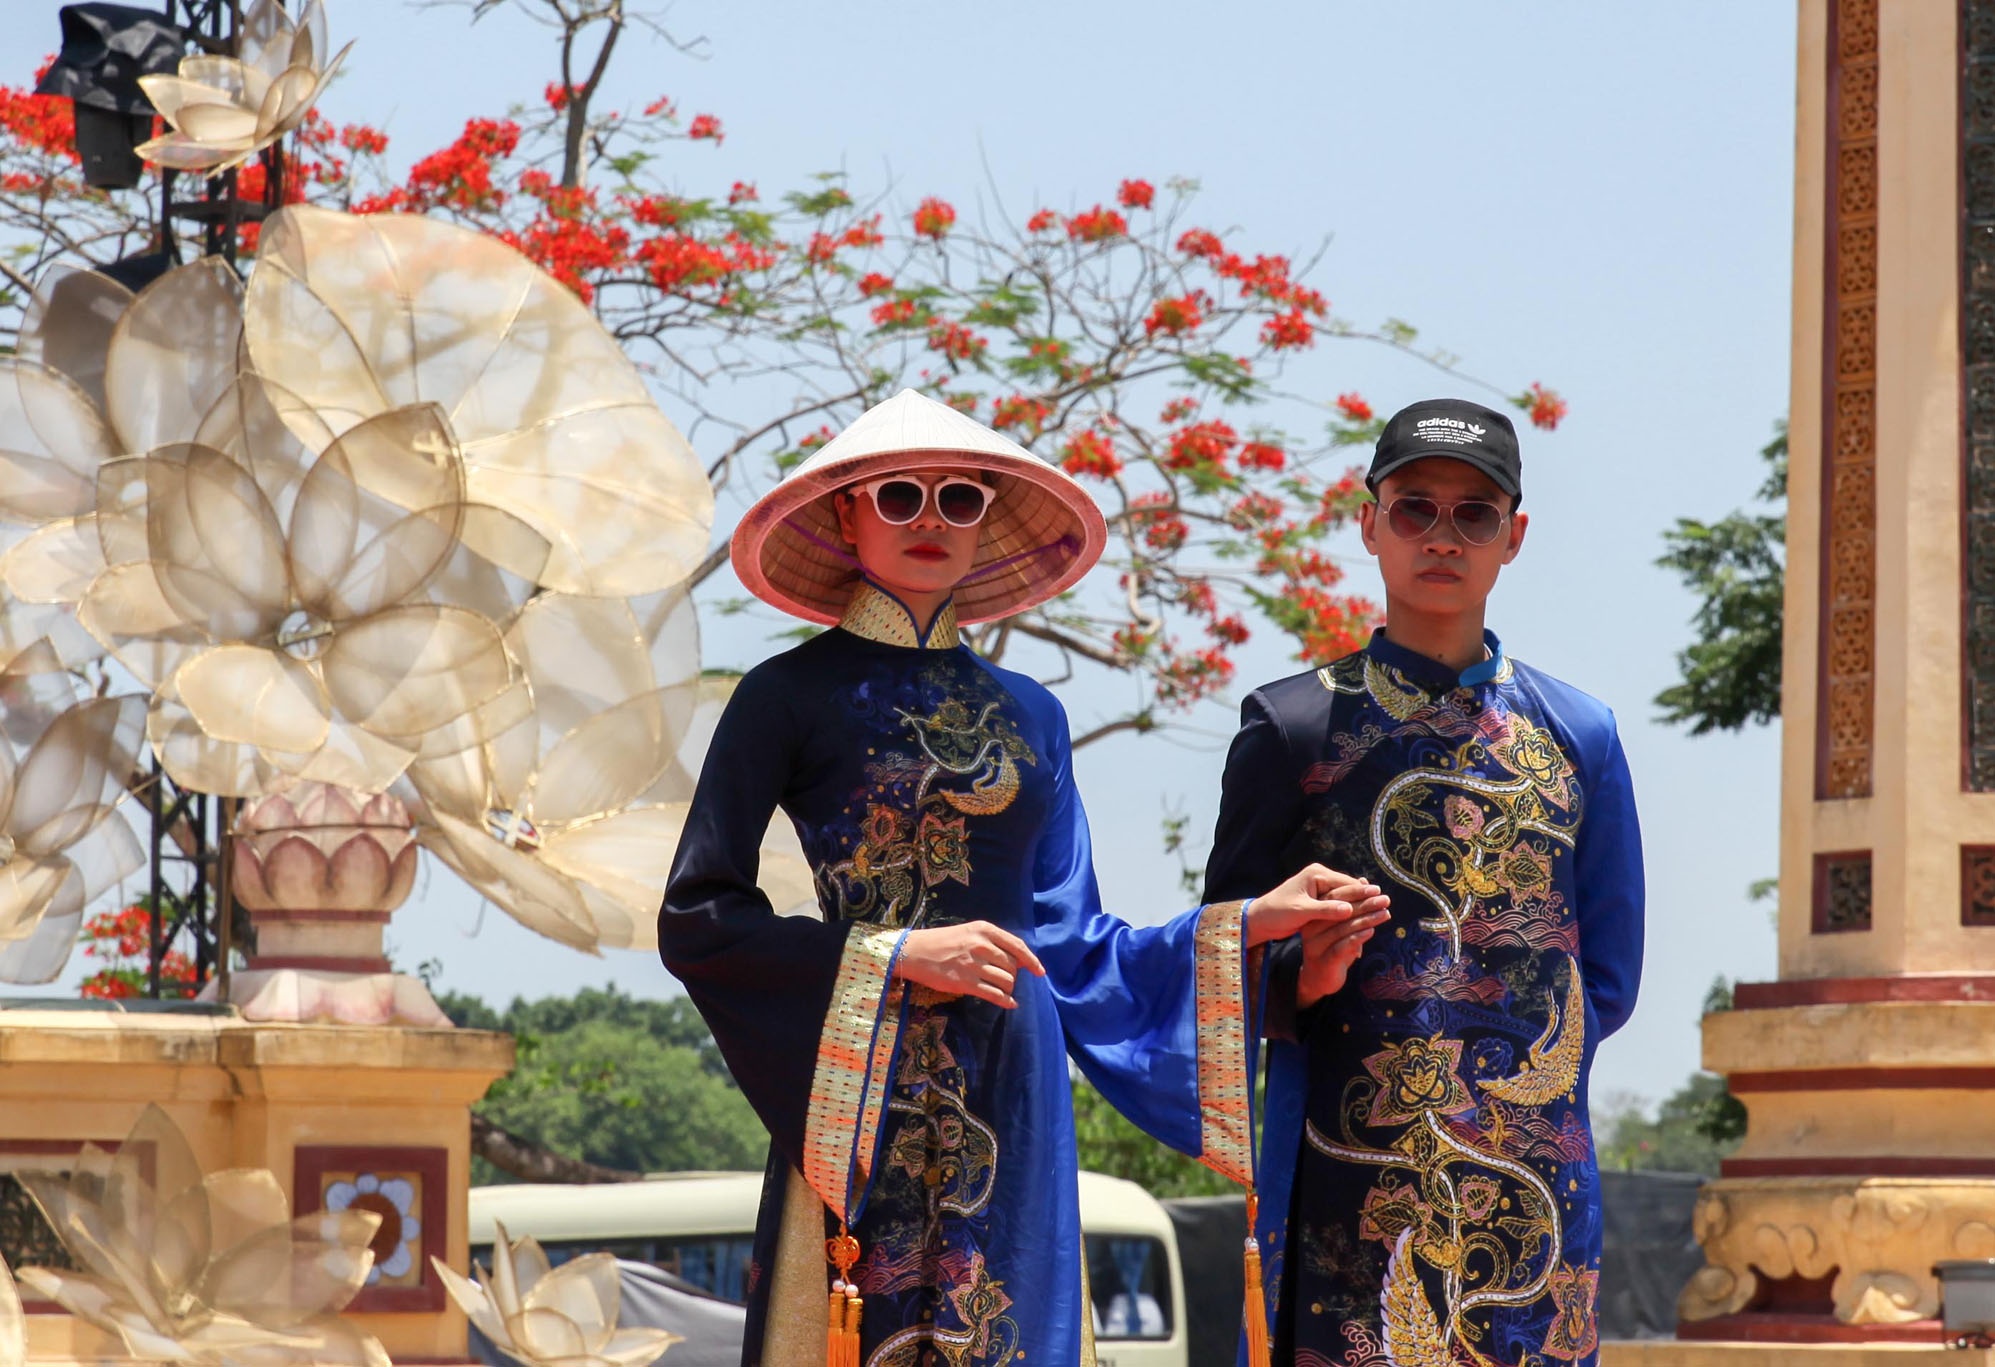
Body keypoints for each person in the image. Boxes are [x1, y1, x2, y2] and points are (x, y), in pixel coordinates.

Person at [658, 388, 1384, 1367]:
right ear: (846, 513)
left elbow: (1075, 945)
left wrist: (1246, 923)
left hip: (1015, 1081)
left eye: (958, 497)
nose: (928, 518)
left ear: (984, 520)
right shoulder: (783, 695)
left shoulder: (1033, 713)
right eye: (899, 495)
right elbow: (697, 914)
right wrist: (897, 955)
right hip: (860, 1086)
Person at [1204, 398, 1645, 1367]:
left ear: (1512, 537)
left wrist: (1516, 1102)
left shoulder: (1582, 736)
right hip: (1351, 1186)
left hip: (1534, 1191)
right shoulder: (1292, 729)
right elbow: (1223, 958)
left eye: (1473, 513)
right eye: (1414, 508)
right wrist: (1300, 981)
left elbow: (1605, 978)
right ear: (1370, 523)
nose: (1442, 536)